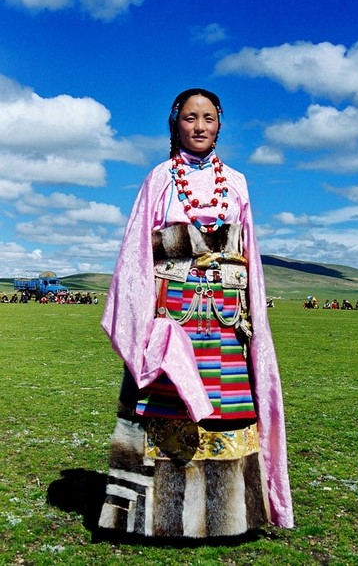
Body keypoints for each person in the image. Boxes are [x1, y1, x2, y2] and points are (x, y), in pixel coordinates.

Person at [98, 88, 293, 539]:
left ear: (220, 123)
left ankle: (229, 519)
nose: (199, 126)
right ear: (176, 123)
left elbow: (251, 255)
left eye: (208, 117)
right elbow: (135, 255)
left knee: (225, 413)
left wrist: (253, 320)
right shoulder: (159, 179)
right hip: (175, 321)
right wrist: (139, 323)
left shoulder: (238, 182)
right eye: (190, 118)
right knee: (165, 412)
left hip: (225, 321)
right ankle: (157, 521)